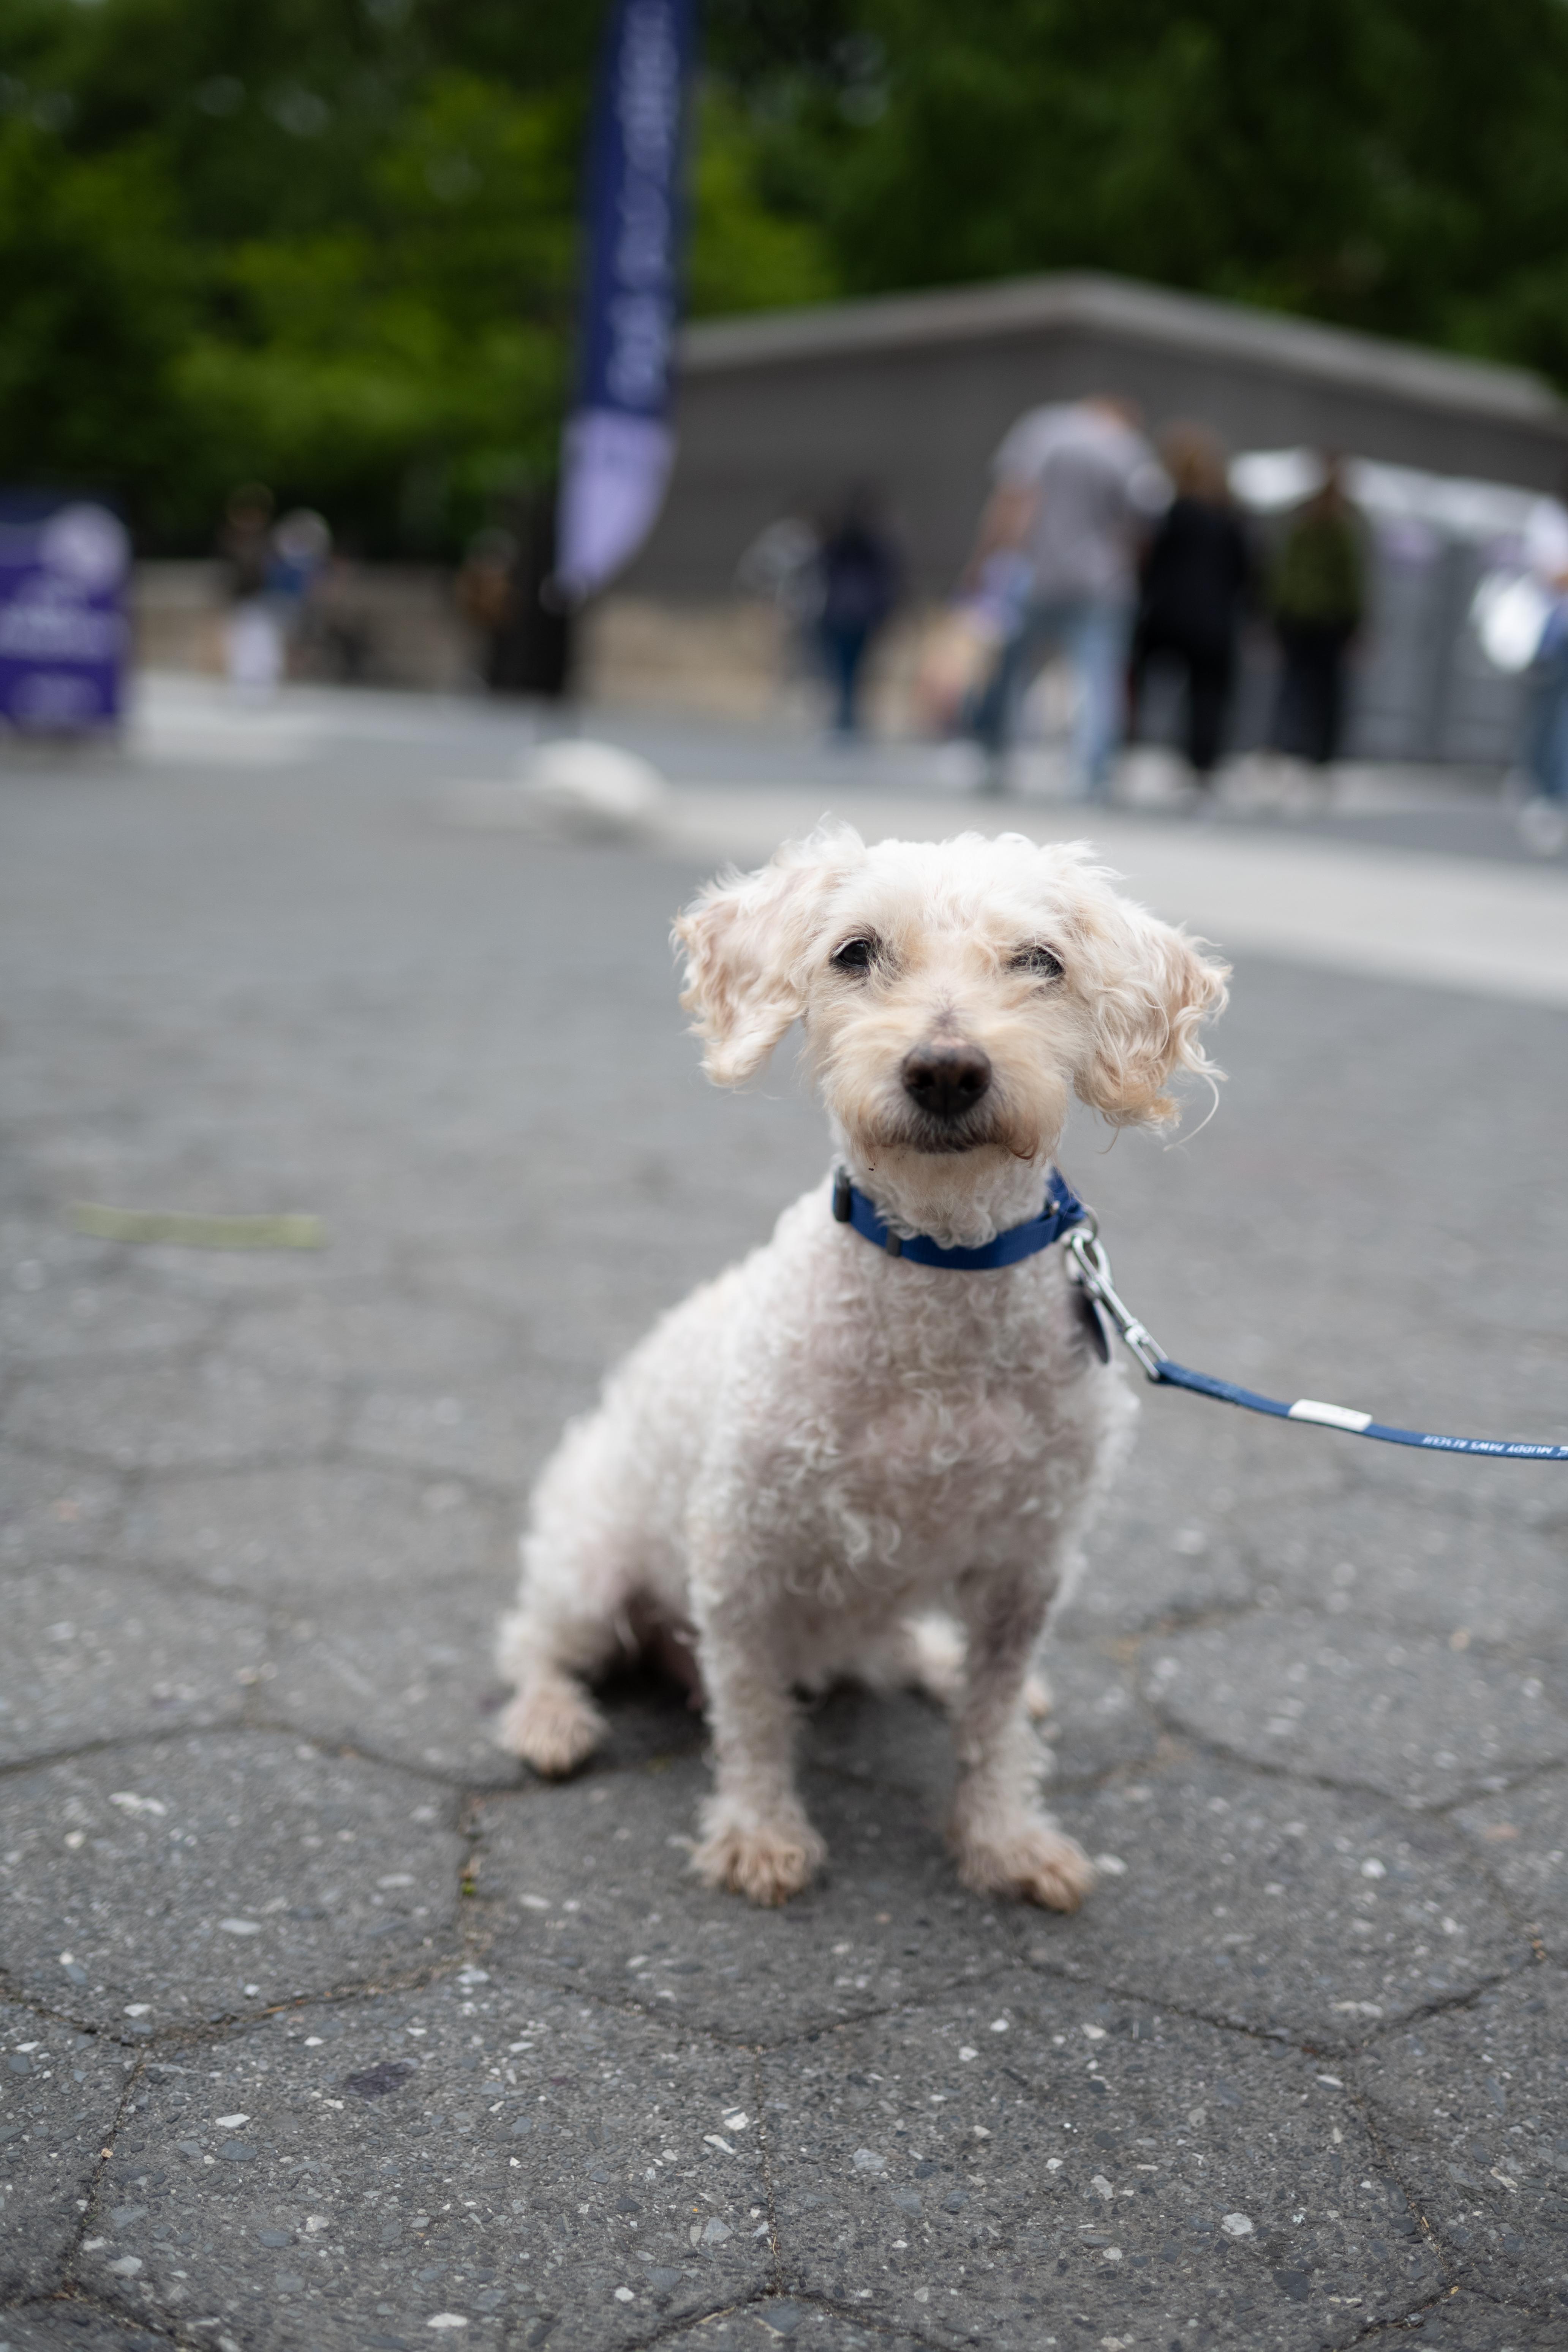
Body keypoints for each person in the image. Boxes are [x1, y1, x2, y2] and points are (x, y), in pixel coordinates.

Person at [967, 395, 1162, 798]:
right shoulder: (1129, 450)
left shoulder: (1042, 430)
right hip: (1103, 582)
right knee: (1099, 676)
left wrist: (985, 560)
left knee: (1014, 670)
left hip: (1036, 573)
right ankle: (1093, 771)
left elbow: (1012, 499)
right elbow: (1145, 522)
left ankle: (996, 757)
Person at [1129, 423, 1253, 792]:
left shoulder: (1170, 513)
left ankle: (1121, 747)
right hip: (1214, 617)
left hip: (1166, 614)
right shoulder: (1229, 515)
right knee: (1209, 696)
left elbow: (1150, 566)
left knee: (1137, 681)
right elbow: (1246, 570)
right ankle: (1202, 768)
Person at [1269, 456, 1366, 767]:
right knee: (1326, 692)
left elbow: (1285, 574)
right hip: (1329, 620)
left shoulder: (1303, 521)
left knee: (1294, 686)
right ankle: (1318, 755)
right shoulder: (1343, 525)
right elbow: (1351, 582)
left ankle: (1288, 746)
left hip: (1299, 616)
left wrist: (1277, 614)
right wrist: (1357, 624)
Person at [814, 490, 902, 737]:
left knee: (848, 669)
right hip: (853, 615)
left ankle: (847, 716)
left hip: (848, 614)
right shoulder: (864, 544)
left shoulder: (847, 543)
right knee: (850, 669)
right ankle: (846, 716)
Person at [1517, 493, 1568, 855]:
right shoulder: (1549, 516)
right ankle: (1543, 790)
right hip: (1553, 635)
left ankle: (1555, 794)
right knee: (1547, 715)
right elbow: (1552, 573)